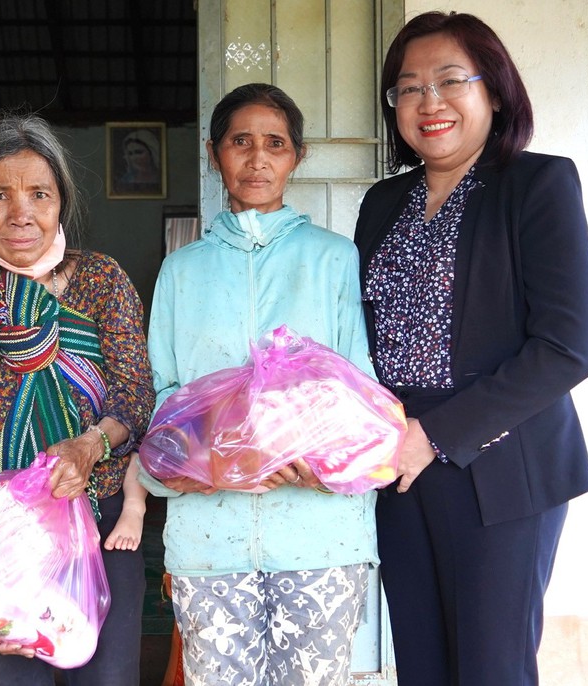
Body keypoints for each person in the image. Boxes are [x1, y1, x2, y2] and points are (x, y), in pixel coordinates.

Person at [354, 11, 588, 686]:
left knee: (491, 668)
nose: (428, 103)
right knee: (423, 666)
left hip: (500, 463)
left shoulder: (538, 184)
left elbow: (566, 347)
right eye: (407, 88)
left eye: (449, 80)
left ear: (494, 91)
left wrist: (435, 435)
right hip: (398, 467)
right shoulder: (382, 202)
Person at [139, 82, 378, 686]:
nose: (257, 158)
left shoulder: (333, 258)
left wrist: (320, 463)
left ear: (295, 156)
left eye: (275, 143)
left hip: (321, 537)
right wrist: (215, 459)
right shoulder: (182, 268)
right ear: (214, 150)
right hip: (209, 538)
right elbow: (162, 395)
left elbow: (359, 390)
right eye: (239, 142)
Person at [0, 111, 155, 685]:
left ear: (61, 204)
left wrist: (88, 446)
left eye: (39, 194)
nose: (20, 212)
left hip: (100, 523)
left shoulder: (101, 280)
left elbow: (136, 399)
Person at [114, 128, 162, 194]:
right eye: (130, 154)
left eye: (139, 152)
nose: (134, 158)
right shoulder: (125, 180)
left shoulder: (161, 178)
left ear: (151, 152)